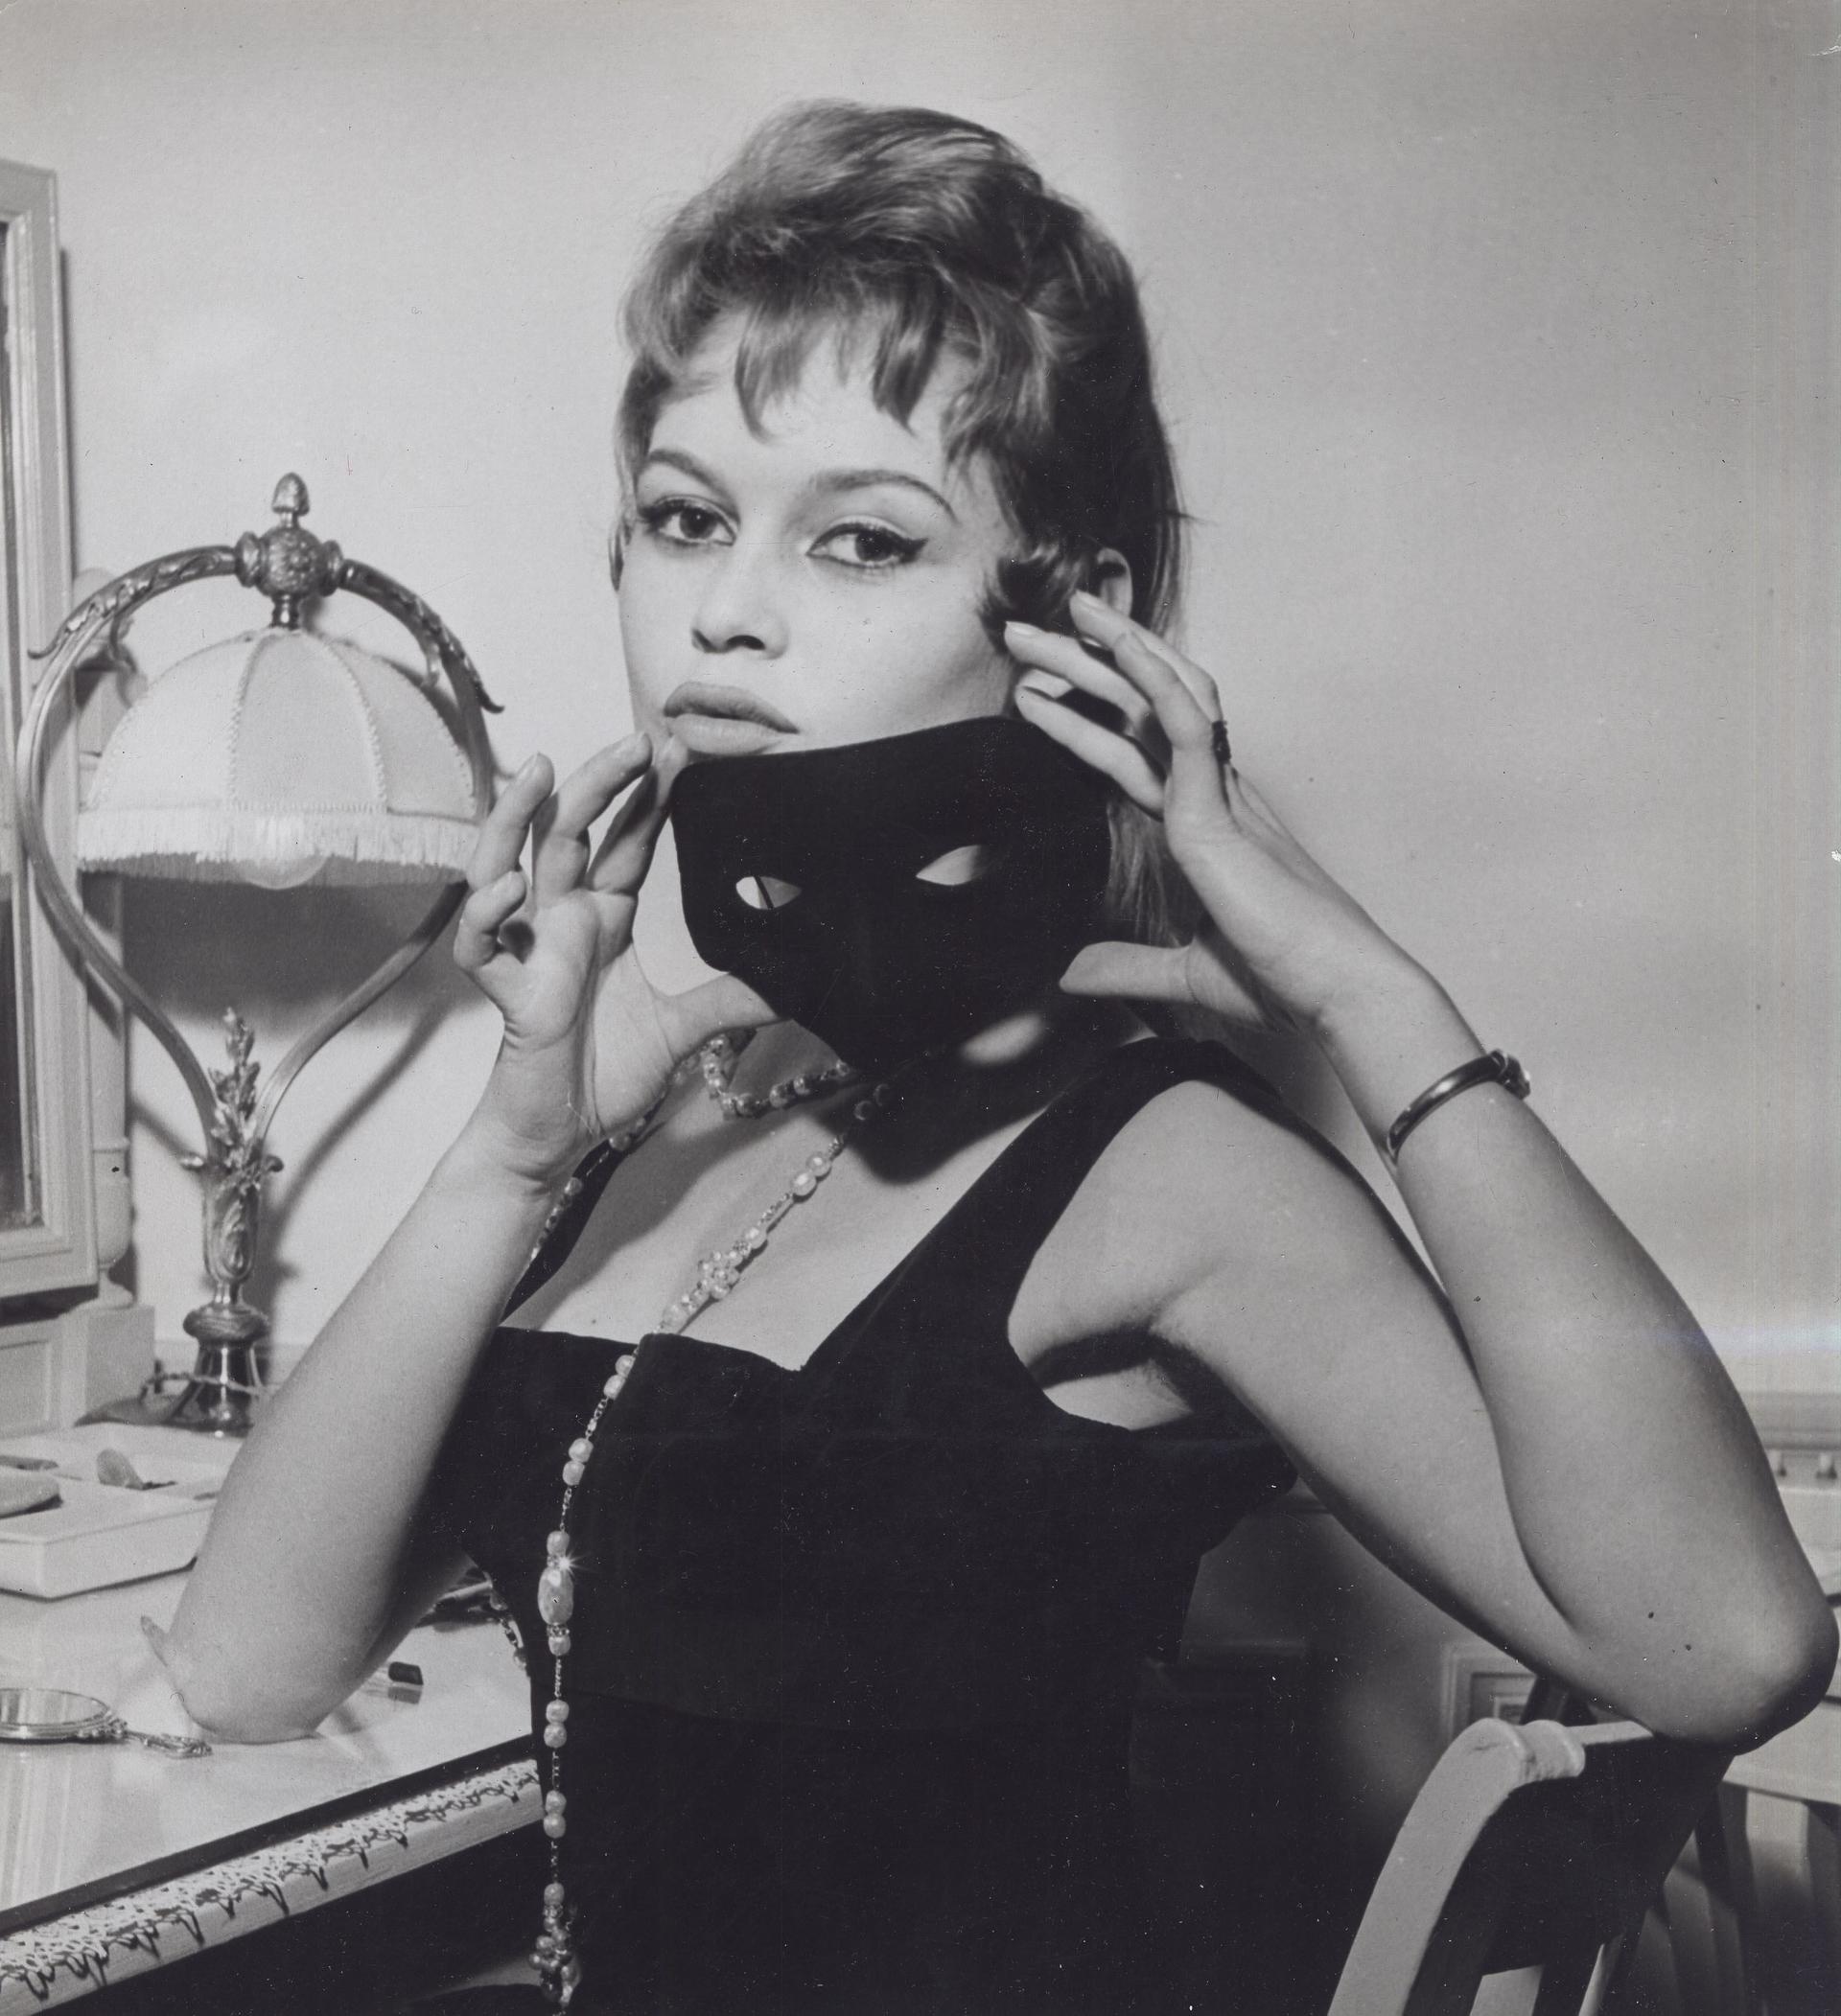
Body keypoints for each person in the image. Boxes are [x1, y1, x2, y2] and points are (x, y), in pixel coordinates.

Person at [156, 102, 1833, 2016]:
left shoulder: (1168, 1166)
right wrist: (509, 1148)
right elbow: (246, 1671)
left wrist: (1373, 1000)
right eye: (686, 517)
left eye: (860, 539)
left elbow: (1727, 1647)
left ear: (1069, 622)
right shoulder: (665, 1109)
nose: (725, 610)